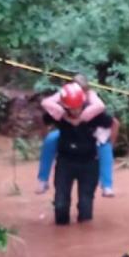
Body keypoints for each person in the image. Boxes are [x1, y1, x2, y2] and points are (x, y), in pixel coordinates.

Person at [40, 81, 114, 225]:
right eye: (71, 108)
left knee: (85, 211)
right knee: (60, 205)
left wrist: (108, 144)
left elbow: (113, 124)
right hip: (65, 162)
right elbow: (45, 120)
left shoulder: (95, 114)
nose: (75, 111)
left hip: (89, 163)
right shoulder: (58, 112)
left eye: (77, 107)